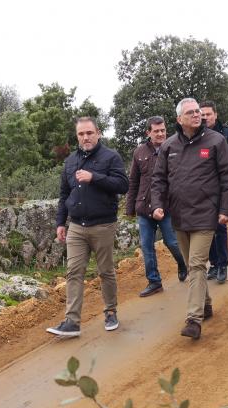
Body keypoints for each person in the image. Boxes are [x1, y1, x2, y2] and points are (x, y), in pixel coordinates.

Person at [150, 98, 228, 339]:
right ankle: (206, 304)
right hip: (179, 216)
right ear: (180, 119)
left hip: (205, 215)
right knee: (192, 266)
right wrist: (157, 205)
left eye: (198, 111)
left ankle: (193, 318)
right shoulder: (169, 146)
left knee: (197, 264)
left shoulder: (216, 141)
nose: (197, 115)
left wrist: (226, 208)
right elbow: (158, 180)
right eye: (190, 112)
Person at [46, 117, 129, 338]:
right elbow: (64, 194)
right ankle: (72, 322)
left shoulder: (111, 157)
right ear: (77, 137)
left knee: (105, 271)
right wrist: (60, 223)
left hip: (103, 225)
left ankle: (111, 311)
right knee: (74, 272)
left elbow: (123, 185)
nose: (86, 137)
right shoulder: (70, 161)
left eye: (89, 133)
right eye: (81, 134)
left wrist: (95, 177)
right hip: (76, 227)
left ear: (98, 133)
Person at [126, 116, 188, 297]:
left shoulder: (175, 148)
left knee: (172, 242)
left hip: (167, 206)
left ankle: (183, 263)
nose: (160, 134)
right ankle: (154, 281)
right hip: (144, 208)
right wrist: (130, 208)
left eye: (163, 130)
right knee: (146, 245)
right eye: (156, 131)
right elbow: (133, 181)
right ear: (148, 133)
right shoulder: (139, 152)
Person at [200, 101, 228, 284]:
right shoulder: (198, 136)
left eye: (208, 114)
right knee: (205, 229)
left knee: (220, 227)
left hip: (222, 191)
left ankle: (223, 264)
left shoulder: (227, 134)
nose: (205, 117)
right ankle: (214, 264)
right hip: (203, 192)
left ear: (215, 115)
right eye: (202, 115)